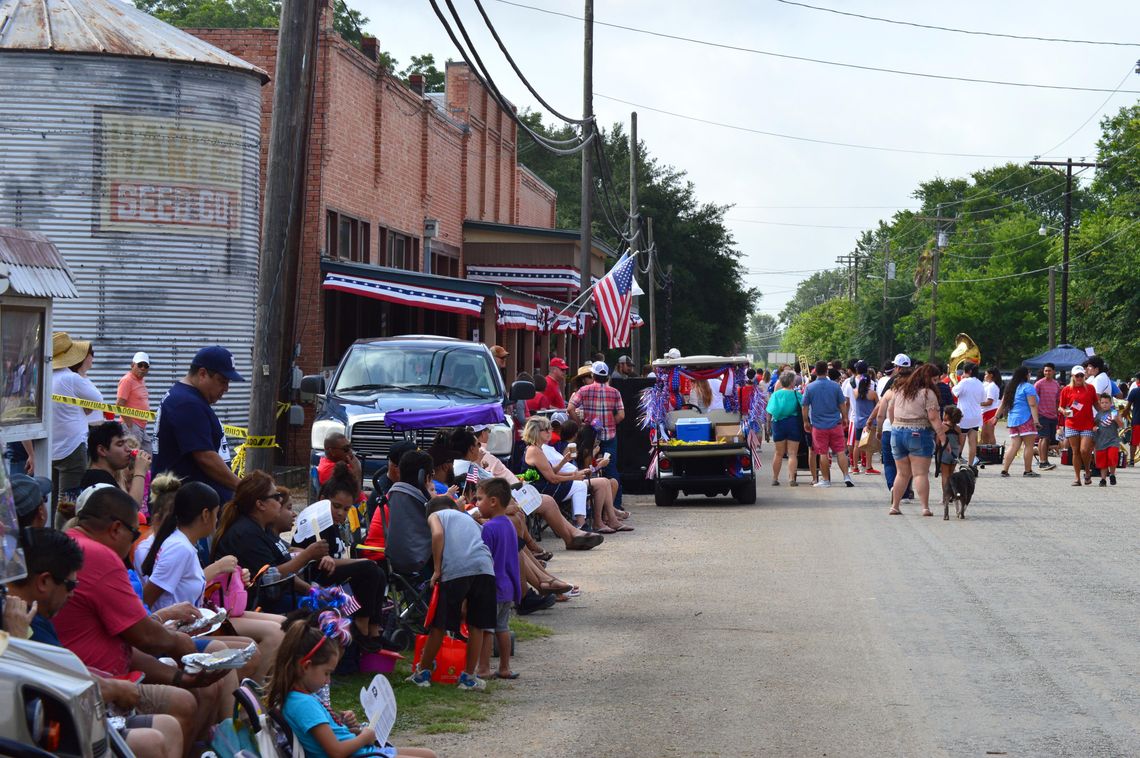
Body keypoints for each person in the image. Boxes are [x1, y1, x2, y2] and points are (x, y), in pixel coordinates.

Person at [50, 486, 234, 751]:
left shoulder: (76, 544)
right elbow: (145, 635)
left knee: (188, 695)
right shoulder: (99, 555)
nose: (133, 543)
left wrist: (178, 675)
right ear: (116, 529)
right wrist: (181, 645)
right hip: (93, 686)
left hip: (102, 674)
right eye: (134, 533)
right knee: (185, 703)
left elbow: (126, 640)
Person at [6, 528, 186, 758]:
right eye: (70, 586)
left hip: (64, 716)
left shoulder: (33, 613)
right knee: (151, 741)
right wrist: (18, 643)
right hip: (44, 732)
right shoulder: (18, 620)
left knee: (168, 728)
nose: (72, 595)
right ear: (44, 582)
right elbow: (51, 678)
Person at [140, 481, 285, 682]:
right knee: (249, 655)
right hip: (178, 632)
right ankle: (244, 703)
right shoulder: (179, 548)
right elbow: (147, 598)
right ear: (206, 514)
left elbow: (188, 584)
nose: (217, 520)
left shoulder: (185, 545)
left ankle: (248, 701)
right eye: (216, 514)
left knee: (257, 644)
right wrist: (167, 619)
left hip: (194, 625)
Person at [269, 613, 437, 758]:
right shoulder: (302, 703)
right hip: (361, 754)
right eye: (326, 673)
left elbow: (332, 739)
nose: (328, 681)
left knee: (429, 754)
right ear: (306, 666)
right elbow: (337, 752)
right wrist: (365, 736)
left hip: (362, 752)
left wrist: (346, 726)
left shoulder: (301, 697)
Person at [453, 426, 601, 550]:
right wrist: (573, 476)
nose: (481, 449)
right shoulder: (468, 467)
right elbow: (478, 491)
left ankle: (573, 534)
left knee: (548, 500)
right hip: (502, 499)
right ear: (471, 448)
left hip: (507, 494)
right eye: (478, 445)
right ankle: (571, 536)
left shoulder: (470, 464)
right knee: (547, 501)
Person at [405, 496, 496, 691]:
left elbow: (437, 535)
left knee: (439, 624)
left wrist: (437, 570)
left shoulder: (435, 514)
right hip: (485, 567)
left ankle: (422, 673)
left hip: (456, 570)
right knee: (476, 625)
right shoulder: (467, 519)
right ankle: (468, 678)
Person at [294, 466, 387, 648]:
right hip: (317, 575)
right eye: (336, 506)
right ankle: (361, 629)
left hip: (334, 574)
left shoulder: (335, 524)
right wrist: (360, 562)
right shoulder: (315, 524)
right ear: (322, 501)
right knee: (369, 568)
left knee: (378, 570)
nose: (340, 513)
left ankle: (374, 631)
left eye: (346, 509)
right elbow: (312, 556)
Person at [213, 471, 332, 613]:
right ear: (260, 504)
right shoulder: (245, 533)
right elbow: (270, 576)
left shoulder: (264, 528)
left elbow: (283, 571)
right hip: (255, 605)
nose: (280, 501)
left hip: (277, 597)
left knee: (333, 600)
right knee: (328, 611)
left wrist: (311, 589)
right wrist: (307, 555)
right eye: (276, 497)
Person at [151, 345, 244, 503]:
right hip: (188, 509)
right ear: (202, 374)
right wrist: (243, 488)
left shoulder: (185, 397)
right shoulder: (187, 403)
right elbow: (205, 458)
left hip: (195, 506)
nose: (226, 389)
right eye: (222, 381)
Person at [473, 478, 522, 680]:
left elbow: (484, 561)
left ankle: (483, 668)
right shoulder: (509, 525)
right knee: (502, 628)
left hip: (491, 588)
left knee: (486, 629)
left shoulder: (489, 529)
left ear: (493, 501)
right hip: (507, 587)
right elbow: (513, 559)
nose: (476, 504)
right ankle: (504, 667)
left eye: (479, 499)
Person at [50, 331, 102, 509]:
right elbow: (98, 400)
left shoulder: (45, 377)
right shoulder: (71, 378)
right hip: (72, 447)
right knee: (69, 503)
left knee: (54, 499)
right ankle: (66, 536)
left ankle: (53, 535)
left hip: (51, 446)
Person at [886, 363, 946, 516]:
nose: (936, 382)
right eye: (934, 379)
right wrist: (942, 437)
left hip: (897, 432)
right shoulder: (927, 393)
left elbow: (890, 410)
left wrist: (895, 426)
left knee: (902, 474)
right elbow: (933, 417)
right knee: (920, 474)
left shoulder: (899, 389)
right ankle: (925, 508)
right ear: (927, 378)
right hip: (919, 433)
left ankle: (895, 506)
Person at [567, 361, 625, 509]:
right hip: (609, 435)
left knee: (586, 467)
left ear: (593, 375)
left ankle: (588, 506)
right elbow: (621, 415)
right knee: (611, 469)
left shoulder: (584, 390)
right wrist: (611, 423)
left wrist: (580, 424)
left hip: (590, 433)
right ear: (606, 376)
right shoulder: (615, 392)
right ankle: (615, 506)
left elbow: (570, 408)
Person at [522, 416, 592, 529]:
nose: (550, 431)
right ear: (536, 432)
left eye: (550, 428)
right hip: (539, 489)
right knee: (580, 486)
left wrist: (564, 461)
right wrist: (573, 477)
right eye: (546, 429)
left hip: (540, 486)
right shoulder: (535, 450)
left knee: (579, 485)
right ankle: (580, 524)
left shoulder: (537, 448)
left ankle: (580, 523)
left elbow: (550, 471)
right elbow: (552, 478)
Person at [801, 360, 852, 488]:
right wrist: (845, 417)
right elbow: (842, 404)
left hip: (818, 426)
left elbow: (805, 407)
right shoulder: (835, 386)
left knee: (823, 453)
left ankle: (825, 480)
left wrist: (806, 421)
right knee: (840, 451)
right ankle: (846, 476)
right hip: (835, 424)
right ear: (826, 371)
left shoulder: (810, 387)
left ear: (816, 372)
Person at [385, 449, 436, 576]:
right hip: (421, 560)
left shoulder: (394, 494)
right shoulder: (421, 500)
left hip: (395, 559)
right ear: (427, 477)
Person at [81, 420, 151, 508]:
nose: (128, 449)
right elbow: (130, 509)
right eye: (120, 444)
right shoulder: (100, 482)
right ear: (102, 450)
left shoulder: (99, 477)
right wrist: (140, 472)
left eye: (126, 443)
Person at [997, 366, 1040, 478]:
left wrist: (996, 417)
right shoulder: (1028, 387)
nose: (1030, 375)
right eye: (1029, 373)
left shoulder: (1010, 387)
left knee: (1014, 446)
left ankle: (1005, 470)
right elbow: (1032, 404)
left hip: (1013, 420)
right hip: (1026, 419)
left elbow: (1002, 403)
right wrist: (1036, 421)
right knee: (1029, 446)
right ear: (1025, 375)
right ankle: (1028, 470)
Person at [1059, 365, 1098, 486]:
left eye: (1081, 375)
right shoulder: (1066, 389)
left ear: (1084, 376)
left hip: (1087, 424)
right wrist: (1063, 411)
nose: (1080, 378)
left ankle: (1087, 471)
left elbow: (1096, 404)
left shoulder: (1090, 388)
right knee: (1075, 451)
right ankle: (1077, 478)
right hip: (1071, 423)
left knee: (1085, 450)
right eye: (1077, 375)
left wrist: (1105, 414)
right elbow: (1060, 406)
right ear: (1073, 376)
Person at [843, 361, 878, 475]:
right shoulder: (872, 392)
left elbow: (847, 402)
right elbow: (878, 405)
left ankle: (854, 467)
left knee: (856, 443)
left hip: (856, 419)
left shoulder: (855, 391)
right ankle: (868, 467)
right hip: (868, 421)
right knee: (868, 445)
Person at [767, 370, 801, 486]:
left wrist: (768, 428)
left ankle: (775, 478)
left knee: (778, 453)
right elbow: (805, 408)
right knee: (792, 454)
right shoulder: (797, 394)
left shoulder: (775, 395)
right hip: (793, 424)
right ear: (792, 382)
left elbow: (769, 412)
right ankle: (791, 479)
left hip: (778, 424)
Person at [117, 351, 154, 454]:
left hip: (140, 427)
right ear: (132, 365)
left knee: (148, 456)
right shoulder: (127, 380)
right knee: (132, 459)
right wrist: (130, 425)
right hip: (132, 426)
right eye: (140, 365)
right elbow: (119, 405)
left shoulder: (141, 380)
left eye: (146, 366)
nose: (143, 368)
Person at [952, 362, 985, 467]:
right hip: (976, 416)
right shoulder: (980, 383)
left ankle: (956, 460)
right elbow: (982, 400)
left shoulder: (964, 382)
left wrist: (959, 381)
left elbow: (954, 392)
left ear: (968, 372)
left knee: (960, 440)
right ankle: (971, 464)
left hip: (964, 416)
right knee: (972, 442)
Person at [1033, 363, 1061, 471]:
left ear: (1054, 372)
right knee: (1044, 438)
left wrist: (1057, 412)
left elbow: (1057, 400)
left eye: (1049, 371)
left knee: (1047, 439)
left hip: (1053, 415)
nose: (1047, 373)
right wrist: (1034, 416)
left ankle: (1043, 460)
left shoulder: (1056, 384)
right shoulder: (1039, 384)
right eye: (1046, 371)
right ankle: (1043, 461)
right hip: (1041, 415)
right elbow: (1033, 400)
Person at [1093, 394, 1124, 486]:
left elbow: (1122, 425)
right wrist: (1094, 428)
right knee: (1102, 462)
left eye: (1106, 403)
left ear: (1110, 403)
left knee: (1112, 457)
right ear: (1100, 403)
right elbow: (1094, 424)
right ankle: (1103, 479)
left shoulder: (1114, 412)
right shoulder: (1098, 414)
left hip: (1113, 440)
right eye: (1102, 403)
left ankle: (1112, 474)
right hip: (1101, 441)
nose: (1104, 404)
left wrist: (1116, 420)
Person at [937, 405, 965, 508]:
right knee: (951, 475)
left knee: (944, 475)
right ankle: (952, 495)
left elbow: (938, 440)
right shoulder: (958, 428)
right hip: (954, 453)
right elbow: (961, 441)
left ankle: (945, 497)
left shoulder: (942, 427)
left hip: (944, 453)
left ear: (947, 416)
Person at [979, 367, 1003, 445]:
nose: (984, 376)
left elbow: (989, 402)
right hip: (986, 411)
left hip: (990, 411)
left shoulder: (992, 386)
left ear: (991, 375)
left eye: (986, 374)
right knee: (984, 435)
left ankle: (992, 452)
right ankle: (985, 452)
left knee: (989, 434)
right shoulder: (988, 384)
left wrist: (978, 404)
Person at [1124, 372, 1140, 467]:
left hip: (1137, 420)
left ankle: (1132, 461)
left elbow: (1128, 407)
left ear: (1138, 380)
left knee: (1134, 441)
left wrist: (1123, 415)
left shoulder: (1134, 391)